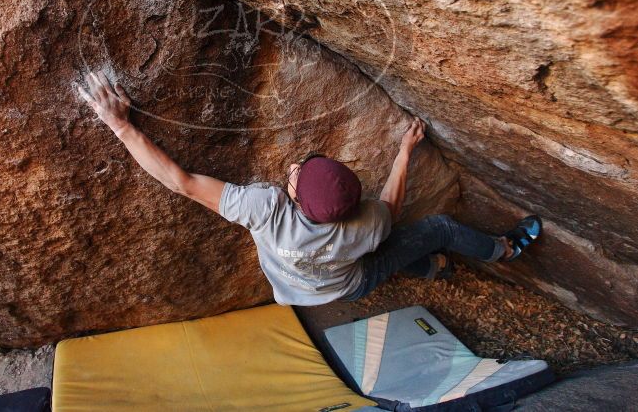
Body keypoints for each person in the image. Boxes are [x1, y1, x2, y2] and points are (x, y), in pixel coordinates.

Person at [77, 71, 541, 306]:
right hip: (349, 280)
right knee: (414, 236)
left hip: (301, 291)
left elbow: (182, 183)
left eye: (297, 173)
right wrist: (404, 152)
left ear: (294, 199)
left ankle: (474, 258)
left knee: (414, 240)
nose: (296, 166)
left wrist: (120, 127)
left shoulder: (265, 209)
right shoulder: (366, 224)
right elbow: (393, 206)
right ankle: (472, 256)